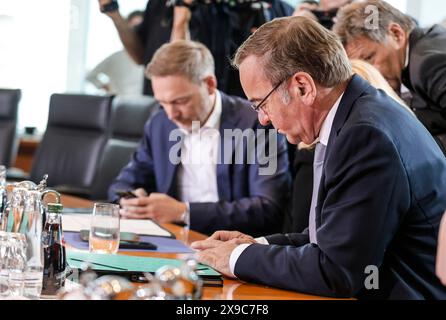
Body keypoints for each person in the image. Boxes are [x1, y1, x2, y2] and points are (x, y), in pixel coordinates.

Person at [191, 16, 446, 299]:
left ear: (303, 86)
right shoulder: (354, 116)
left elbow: (337, 271)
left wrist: (236, 259)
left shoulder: (365, 135)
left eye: (261, 104)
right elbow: (329, 239)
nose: (263, 119)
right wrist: (254, 246)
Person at [108, 40, 290, 237]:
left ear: (210, 85)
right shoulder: (160, 124)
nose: (171, 114)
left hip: (233, 246)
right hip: (171, 239)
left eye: (180, 101)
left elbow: (268, 207)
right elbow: (122, 184)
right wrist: (130, 201)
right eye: (163, 103)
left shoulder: (257, 123)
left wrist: (183, 211)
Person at [286, 58, 417, 234]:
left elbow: (333, 249)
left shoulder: (363, 138)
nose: (264, 119)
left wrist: (244, 253)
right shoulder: (399, 122)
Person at [97, 0, 293, 97]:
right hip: (163, 112)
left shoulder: (243, 8)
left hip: (227, 120)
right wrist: (114, 14)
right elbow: (141, 56)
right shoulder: (160, 4)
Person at [333, 0, 446, 154]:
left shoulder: (428, 63)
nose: (368, 74)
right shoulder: (413, 60)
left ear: (396, 33)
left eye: (369, 58)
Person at [86, 11, 145, 95]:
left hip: (145, 104)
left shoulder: (152, 58)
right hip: (117, 103)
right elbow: (90, 76)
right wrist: (108, 88)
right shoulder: (115, 58)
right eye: (134, 26)